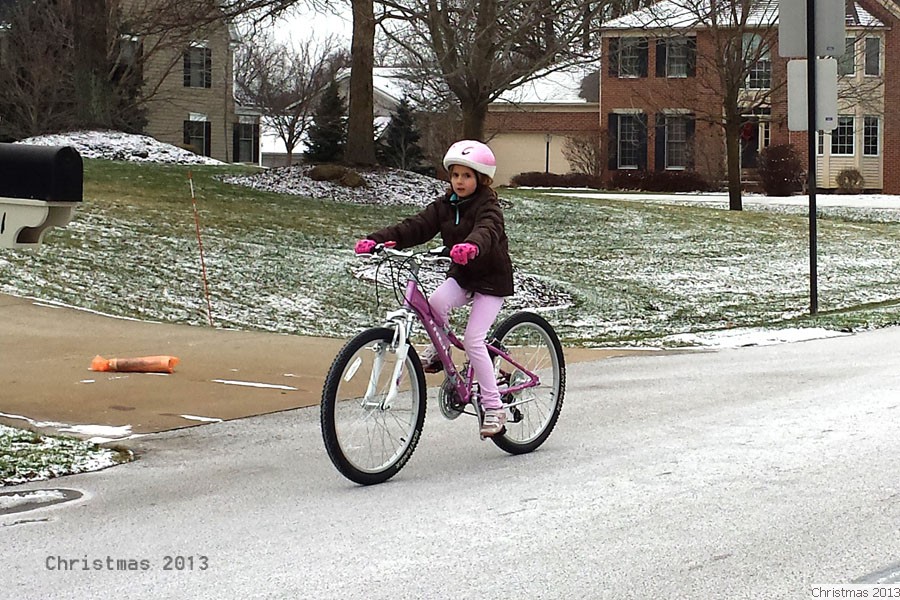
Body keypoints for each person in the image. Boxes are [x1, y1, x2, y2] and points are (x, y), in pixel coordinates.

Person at [354, 140, 514, 437]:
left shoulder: (488, 206)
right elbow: (415, 226)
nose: (459, 182)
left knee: (473, 340)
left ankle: (494, 407)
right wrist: (379, 239)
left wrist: (472, 246)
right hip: (464, 275)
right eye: (455, 175)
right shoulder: (444, 206)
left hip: (492, 280)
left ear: (481, 179)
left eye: (467, 176)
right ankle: (441, 351)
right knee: (436, 303)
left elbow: (487, 230)